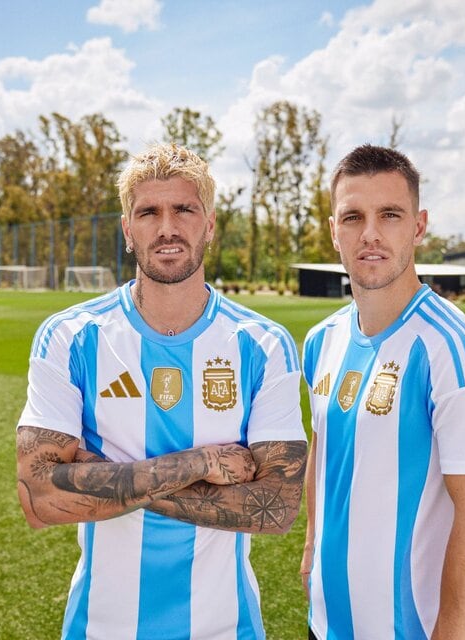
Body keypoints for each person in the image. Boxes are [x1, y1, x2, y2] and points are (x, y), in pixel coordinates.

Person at [16, 143, 307, 640]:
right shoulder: (70, 336)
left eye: (184, 210)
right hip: (102, 626)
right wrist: (199, 465)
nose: (167, 227)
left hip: (225, 626)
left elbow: (275, 506)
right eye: (149, 211)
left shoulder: (262, 344)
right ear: (129, 230)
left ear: (209, 225)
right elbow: (40, 497)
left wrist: (108, 483)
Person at [300, 144, 465, 640]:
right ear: (334, 231)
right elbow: (322, 447)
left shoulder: (455, 351)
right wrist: (311, 543)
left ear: (418, 225)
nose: (369, 234)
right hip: (325, 623)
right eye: (352, 217)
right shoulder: (321, 340)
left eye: (389, 215)